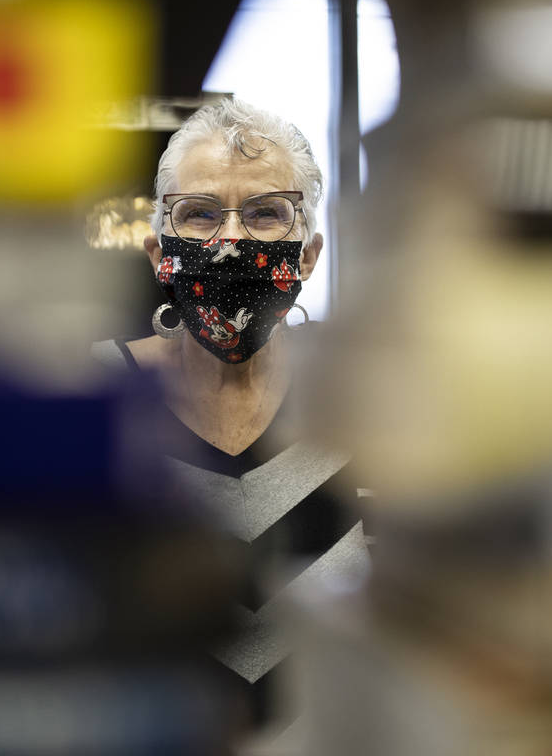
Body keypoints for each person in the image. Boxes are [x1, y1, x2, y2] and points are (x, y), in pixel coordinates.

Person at [92, 98, 371, 737]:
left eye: (267, 215)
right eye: (201, 215)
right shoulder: (97, 402)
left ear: (308, 256)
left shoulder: (360, 408)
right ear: (159, 251)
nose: (231, 242)